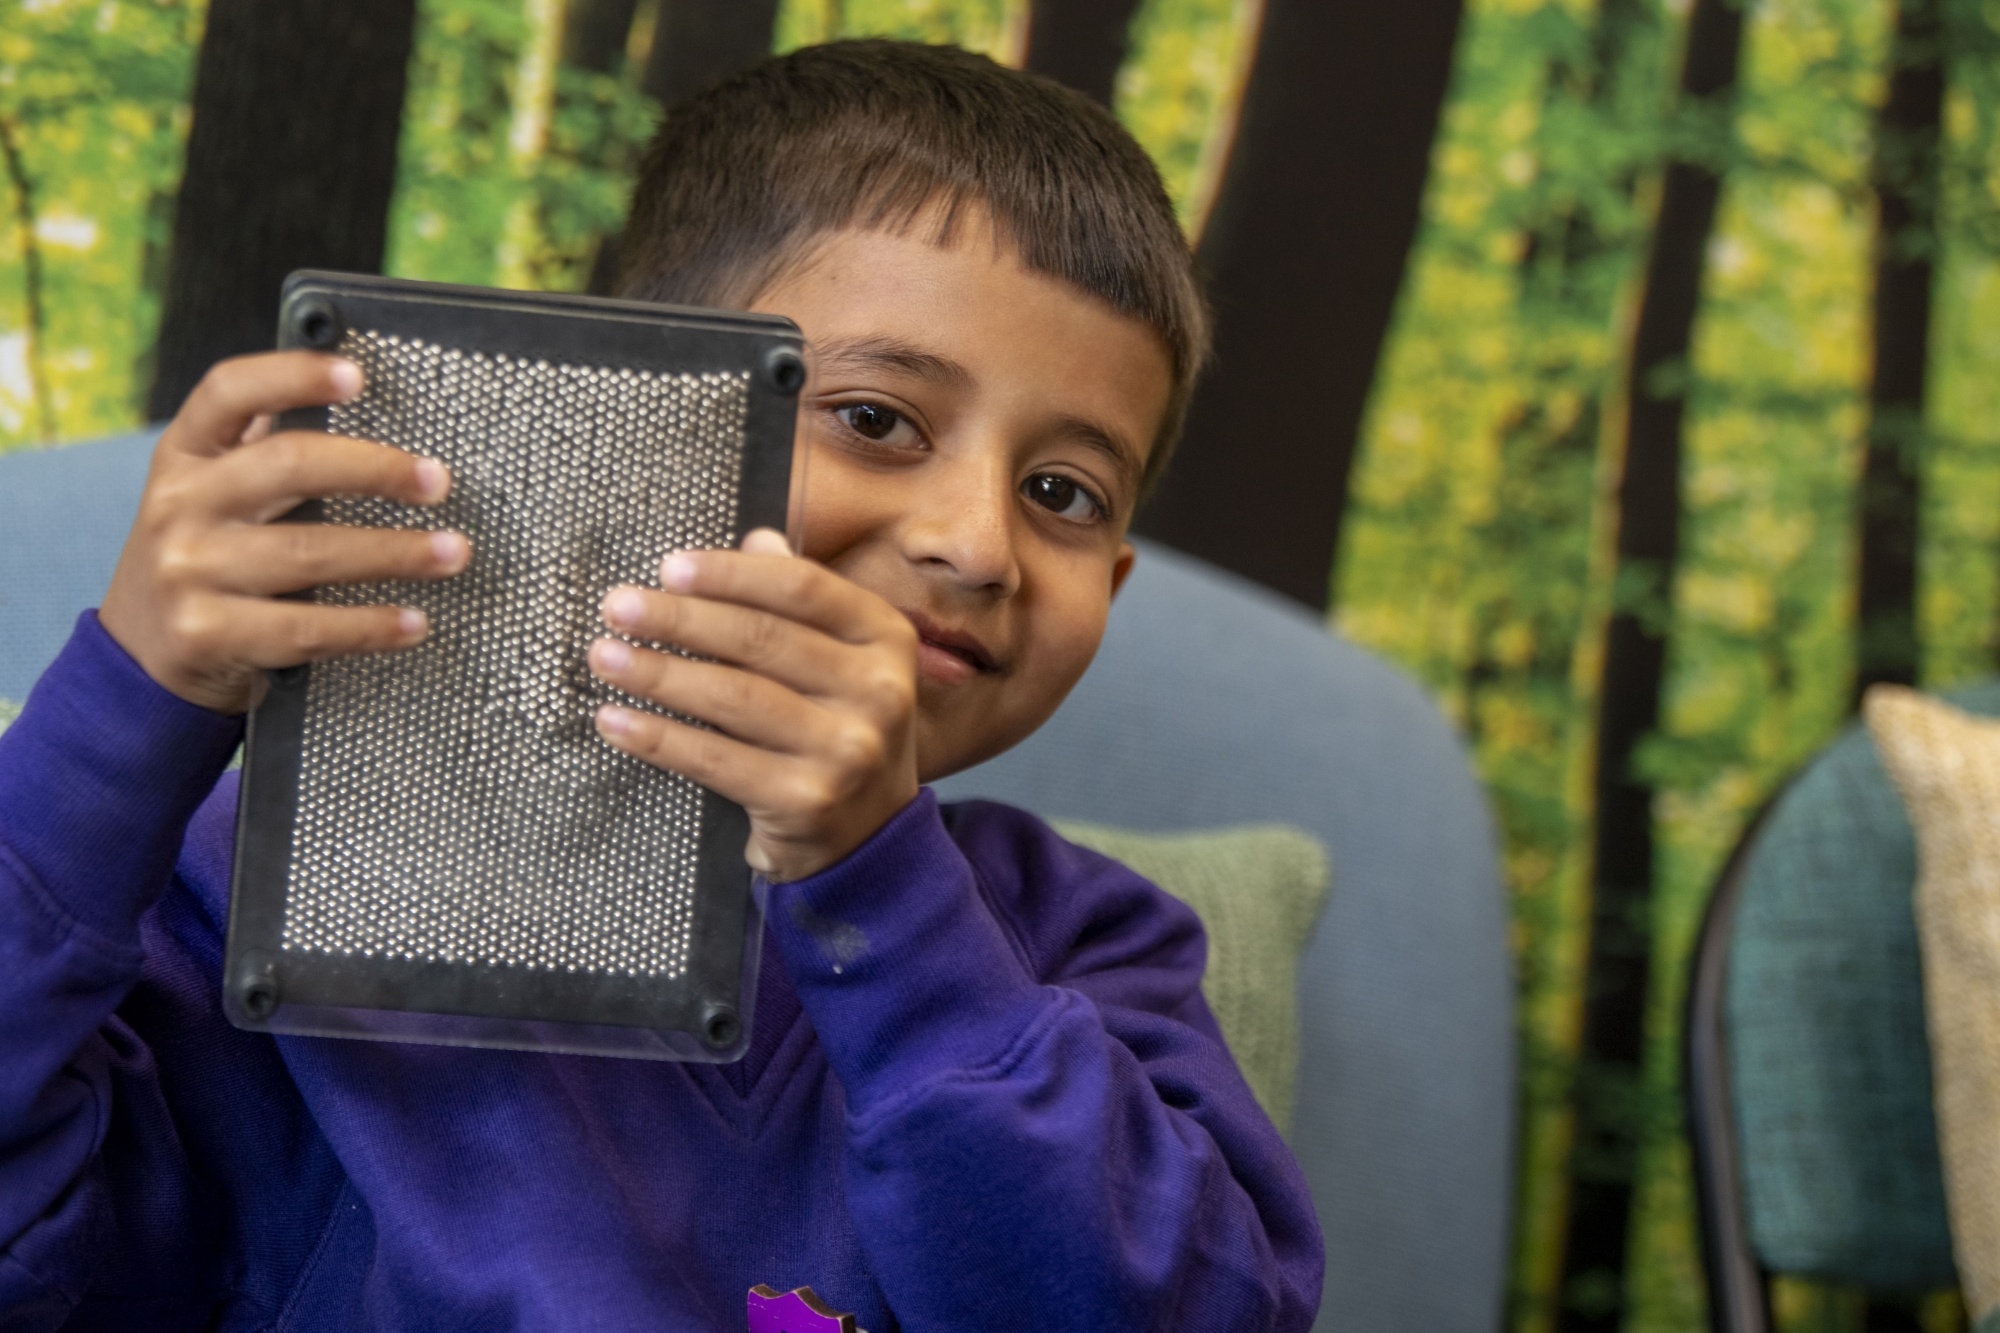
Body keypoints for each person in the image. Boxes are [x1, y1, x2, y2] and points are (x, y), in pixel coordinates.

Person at [0, 41, 1323, 1331]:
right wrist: (125, 713)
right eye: (875, 418)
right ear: (635, 412)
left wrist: (883, 891)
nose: (978, 543)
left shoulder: (1092, 950)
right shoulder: (270, 887)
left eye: (1064, 494)